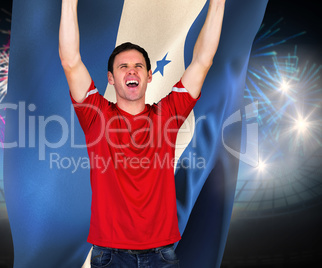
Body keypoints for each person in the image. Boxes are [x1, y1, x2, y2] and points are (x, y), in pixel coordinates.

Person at [59, 0, 225, 267]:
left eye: (137, 66)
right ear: (111, 78)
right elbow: (70, 61)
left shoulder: (168, 115)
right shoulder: (96, 116)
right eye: (123, 66)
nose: (131, 70)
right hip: (110, 254)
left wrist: (218, 4)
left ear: (148, 76)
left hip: (161, 253)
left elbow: (203, 61)